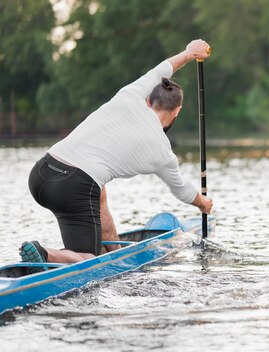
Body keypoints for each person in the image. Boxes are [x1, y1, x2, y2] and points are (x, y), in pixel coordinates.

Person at [20, 39, 213, 269]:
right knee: (87, 260)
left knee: (99, 191)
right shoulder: (163, 152)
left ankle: (114, 251)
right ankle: (46, 253)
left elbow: (163, 69)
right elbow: (182, 189)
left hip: (41, 173)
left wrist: (189, 53)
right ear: (177, 111)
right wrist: (203, 203)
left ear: (149, 100)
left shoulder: (131, 93)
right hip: (74, 188)